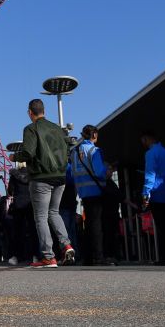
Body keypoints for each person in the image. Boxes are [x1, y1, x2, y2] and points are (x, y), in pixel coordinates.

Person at [13, 98, 74, 268]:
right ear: (44, 111)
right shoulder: (58, 129)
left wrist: (14, 157)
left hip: (41, 178)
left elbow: (28, 153)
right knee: (54, 213)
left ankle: (48, 256)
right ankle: (66, 245)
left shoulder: (31, 129)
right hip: (60, 177)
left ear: (30, 113)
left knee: (40, 217)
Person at [69, 124, 108, 265]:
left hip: (83, 192)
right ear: (94, 135)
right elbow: (99, 172)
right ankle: (98, 257)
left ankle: (87, 257)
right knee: (97, 225)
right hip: (96, 191)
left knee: (88, 225)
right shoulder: (94, 150)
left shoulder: (74, 152)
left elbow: (73, 173)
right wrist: (107, 172)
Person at [140, 129, 165, 265]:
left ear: (146, 139)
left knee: (161, 227)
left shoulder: (150, 154)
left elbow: (150, 174)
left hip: (157, 194)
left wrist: (145, 193)